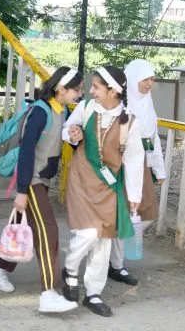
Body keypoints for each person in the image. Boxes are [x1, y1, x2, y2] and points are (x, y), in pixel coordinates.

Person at [0, 67, 83, 314]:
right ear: (62, 89)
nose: (80, 94)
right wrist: (22, 190)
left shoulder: (60, 110)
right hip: (32, 181)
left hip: (39, 180)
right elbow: (27, 151)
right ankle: (49, 292)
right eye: (77, 89)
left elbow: (55, 140)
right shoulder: (41, 111)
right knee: (48, 230)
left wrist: (73, 135)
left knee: (22, 226)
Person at [60, 66, 144, 318]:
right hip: (81, 180)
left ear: (113, 91)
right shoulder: (86, 108)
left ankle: (93, 293)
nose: (91, 90)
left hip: (109, 187)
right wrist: (72, 135)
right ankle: (70, 269)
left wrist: (134, 197)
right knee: (87, 234)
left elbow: (134, 160)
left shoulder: (129, 121)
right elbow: (67, 129)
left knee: (104, 240)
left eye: (96, 87)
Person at [108, 59, 168, 287]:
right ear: (133, 80)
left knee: (147, 213)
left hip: (142, 163)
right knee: (126, 213)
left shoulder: (147, 103)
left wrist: (158, 168)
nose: (150, 84)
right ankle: (116, 264)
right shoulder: (121, 106)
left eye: (152, 79)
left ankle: (115, 254)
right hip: (123, 165)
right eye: (146, 79)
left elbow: (153, 138)